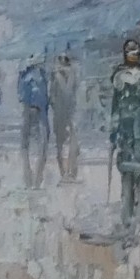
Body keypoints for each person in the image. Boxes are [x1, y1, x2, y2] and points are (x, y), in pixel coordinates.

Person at [108, 38, 140, 247]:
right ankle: (132, 221)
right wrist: (114, 132)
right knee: (135, 177)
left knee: (134, 176)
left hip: (134, 134)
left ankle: (133, 221)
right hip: (133, 135)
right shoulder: (132, 78)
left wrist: (114, 131)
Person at [17, 55, 52, 186]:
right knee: (41, 143)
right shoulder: (41, 76)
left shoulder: (25, 75)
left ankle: (30, 176)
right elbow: (44, 96)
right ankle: (36, 177)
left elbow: (20, 95)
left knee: (26, 143)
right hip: (39, 111)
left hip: (31, 110)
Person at [48, 52, 80, 182]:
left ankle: (70, 172)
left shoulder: (70, 76)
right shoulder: (57, 77)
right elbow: (52, 97)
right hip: (62, 114)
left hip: (68, 113)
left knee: (69, 144)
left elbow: (52, 97)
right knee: (63, 144)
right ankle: (66, 173)